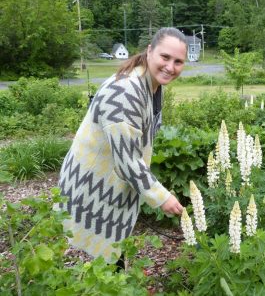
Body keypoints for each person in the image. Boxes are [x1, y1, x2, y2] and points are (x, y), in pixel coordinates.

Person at [55, 27, 185, 264]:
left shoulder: (152, 86)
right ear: (149, 51)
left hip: (111, 181)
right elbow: (127, 162)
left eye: (178, 61)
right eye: (165, 57)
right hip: (93, 184)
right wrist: (162, 197)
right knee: (103, 259)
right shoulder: (126, 91)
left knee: (111, 251)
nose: (171, 66)